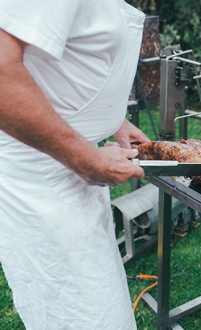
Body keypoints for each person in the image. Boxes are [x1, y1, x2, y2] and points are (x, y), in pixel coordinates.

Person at [0, 1, 149, 328]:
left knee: (104, 301)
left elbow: (62, 64)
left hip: (70, 168)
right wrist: (85, 159)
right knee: (86, 316)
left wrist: (113, 119)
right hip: (42, 176)